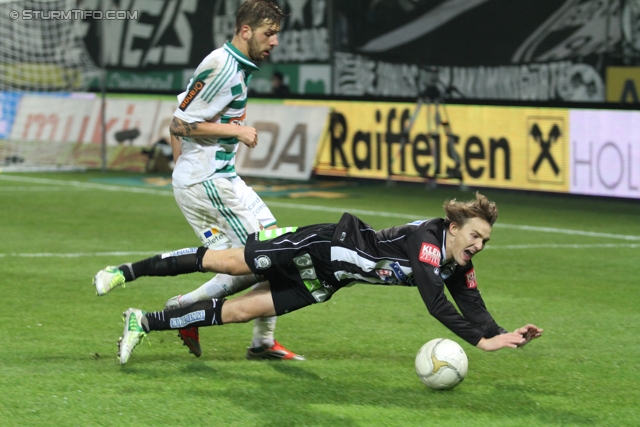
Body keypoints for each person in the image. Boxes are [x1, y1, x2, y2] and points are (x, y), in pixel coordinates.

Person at [94, 0, 304, 361]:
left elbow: (179, 114)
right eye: (269, 34)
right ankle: (192, 318)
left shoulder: (231, 66)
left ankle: (199, 315)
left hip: (216, 179)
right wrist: (233, 134)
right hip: (211, 184)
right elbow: (179, 124)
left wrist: (184, 169)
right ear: (245, 31)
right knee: (265, 259)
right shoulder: (222, 67)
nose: (275, 42)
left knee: (264, 252)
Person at [112, 192, 543, 365]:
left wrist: (502, 333)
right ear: (454, 229)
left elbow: (471, 303)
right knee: (224, 264)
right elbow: (435, 300)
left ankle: (143, 322)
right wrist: (480, 341)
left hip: (329, 279)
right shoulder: (429, 240)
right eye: (475, 236)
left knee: (242, 311)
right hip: (321, 245)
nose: (479, 246)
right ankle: (129, 271)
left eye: (485, 240)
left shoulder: (456, 260)